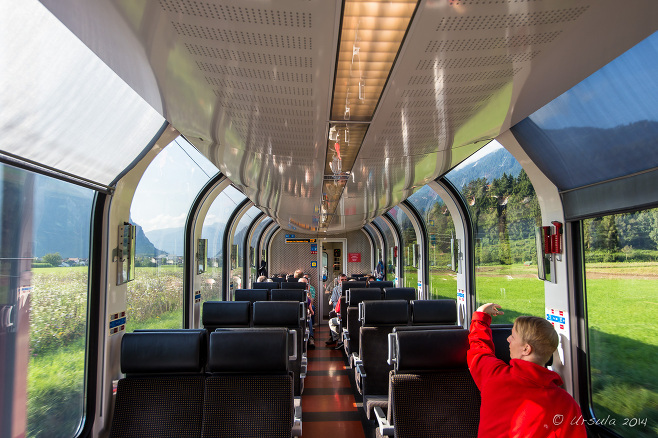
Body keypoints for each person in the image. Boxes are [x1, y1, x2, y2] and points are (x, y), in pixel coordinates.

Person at [468, 303, 587, 438]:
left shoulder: (494, 375)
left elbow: (479, 351)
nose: (508, 339)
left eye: (512, 336)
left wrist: (480, 316)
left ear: (526, 349)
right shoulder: (566, 403)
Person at [326, 274, 346, 346]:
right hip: (339, 309)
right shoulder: (335, 289)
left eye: (345, 280)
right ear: (338, 281)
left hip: (347, 311)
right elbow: (334, 302)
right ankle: (333, 337)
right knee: (332, 314)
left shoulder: (351, 289)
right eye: (342, 280)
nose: (344, 281)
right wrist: (340, 306)